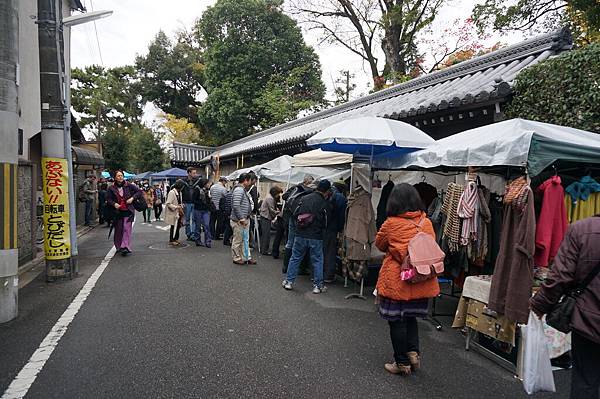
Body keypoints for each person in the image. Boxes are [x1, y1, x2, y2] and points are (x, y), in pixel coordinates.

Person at [530, 215, 600, 399]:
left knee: (586, 382)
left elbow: (560, 276)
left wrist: (539, 305)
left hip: (589, 322)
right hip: (589, 321)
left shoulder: (582, 230)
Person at [375, 183, 440, 376]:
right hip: (421, 278)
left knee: (396, 321)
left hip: (398, 279)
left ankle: (401, 363)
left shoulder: (391, 223)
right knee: (411, 318)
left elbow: (380, 244)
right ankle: (413, 354)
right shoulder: (425, 222)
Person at [282, 179, 331, 294]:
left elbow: (295, 214)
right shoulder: (325, 203)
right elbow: (326, 222)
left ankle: (289, 282)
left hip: (301, 234)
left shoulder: (304, 198)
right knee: (318, 260)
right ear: (327, 191)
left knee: (295, 258)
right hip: (316, 236)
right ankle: (317, 286)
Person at [282, 175, 315, 271]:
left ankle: (285, 266)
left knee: (290, 241)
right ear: (309, 182)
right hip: (300, 218)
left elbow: (284, 196)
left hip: (291, 216)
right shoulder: (308, 192)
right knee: (299, 242)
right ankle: (299, 267)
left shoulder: (295, 187)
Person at [106, 170, 143, 256]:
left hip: (128, 210)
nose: (120, 177)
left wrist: (132, 198)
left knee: (127, 228)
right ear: (115, 177)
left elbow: (139, 192)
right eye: (118, 176)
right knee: (119, 229)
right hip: (117, 211)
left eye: (121, 175)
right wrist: (114, 204)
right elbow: (108, 198)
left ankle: (125, 246)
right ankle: (118, 246)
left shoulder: (128, 185)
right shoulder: (111, 188)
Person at [323, 183, 347, 283]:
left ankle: (319, 273)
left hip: (322, 226)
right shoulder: (341, 197)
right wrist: (340, 228)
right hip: (332, 228)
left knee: (322, 250)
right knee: (330, 251)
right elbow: (342, 215)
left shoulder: (326, 192)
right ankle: (329, 275)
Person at [230, 173, 256, 265]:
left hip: (243, 219)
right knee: (238, 240)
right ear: (245, 180)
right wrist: (241, 218)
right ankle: (236, 258)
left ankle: (246, 257)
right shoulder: (239, 190)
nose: (251, 183)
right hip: (239, 220)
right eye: (249, 180)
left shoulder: (241, 190)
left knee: (245, 239)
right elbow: (236, 205)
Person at [259, 186, 283, 255]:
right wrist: (278, 213)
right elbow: (272, 210)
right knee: (266, 235)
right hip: (266, 217)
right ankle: (264, 251)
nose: (279, 195)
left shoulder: (269, 196)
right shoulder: (270, 199)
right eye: (278, 193)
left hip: (264, 216)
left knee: (265, 234)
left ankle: (263, 249)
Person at [193, 178, 213, 248]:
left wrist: (209, 199)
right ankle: (198, 240)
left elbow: (209, 201)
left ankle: (208, 241)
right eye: (208, 183)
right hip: (198, 210)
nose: (209, 184)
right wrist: (202, 203)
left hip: (206, 210)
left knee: (207, 225)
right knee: (198, 226)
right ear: (204, 184)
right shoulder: (197, 189)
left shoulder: (208, 191)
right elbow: (194, 200)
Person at [182, 167, 199, 241]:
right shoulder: (183, 181)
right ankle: (189, 234)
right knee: (187, 219)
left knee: (194, 219)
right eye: (193, 173)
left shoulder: (197, 181)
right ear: (189, 173)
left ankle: (193, 234)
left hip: (194, 202)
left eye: (195, 173)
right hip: (186, 202)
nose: (195, 174)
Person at [165, 179, 184, 246]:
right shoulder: (172, 192)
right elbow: (168, 203)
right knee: (173, 226)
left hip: (178, 212)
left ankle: (176, 239)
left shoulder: (180, 192)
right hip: (173, 212)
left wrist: (181, 205)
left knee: (178, 226)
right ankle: (171, 240)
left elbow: (180, 202)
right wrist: (176, 207)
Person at [271, 189, 285, 259]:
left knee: (278, 236)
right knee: (280, 236)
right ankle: (276, 252)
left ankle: (275, 252)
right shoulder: (271, 198)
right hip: (284, 217)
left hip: (280, 217)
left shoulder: (288, 196)